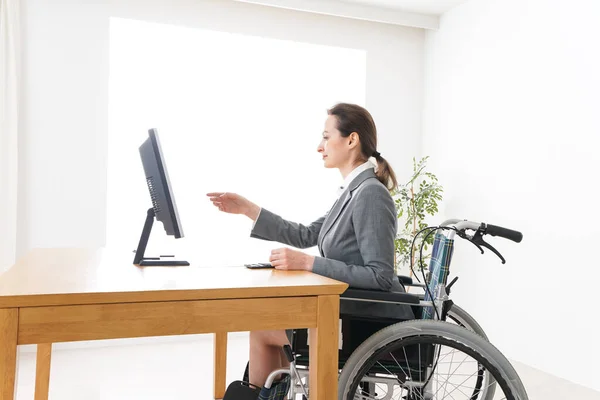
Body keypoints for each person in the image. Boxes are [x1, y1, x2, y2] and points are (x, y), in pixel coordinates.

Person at [207, 103, 413, 394]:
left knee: (263, 330)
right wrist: (249, 210)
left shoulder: (370, 194)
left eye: (327, 136)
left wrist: (308, 264)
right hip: (348, 313)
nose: (320, 146)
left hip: (365, 322)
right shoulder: (352, 192)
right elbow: (306, 234)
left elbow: (380, 276)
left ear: (352, 140)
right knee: (268, 325)